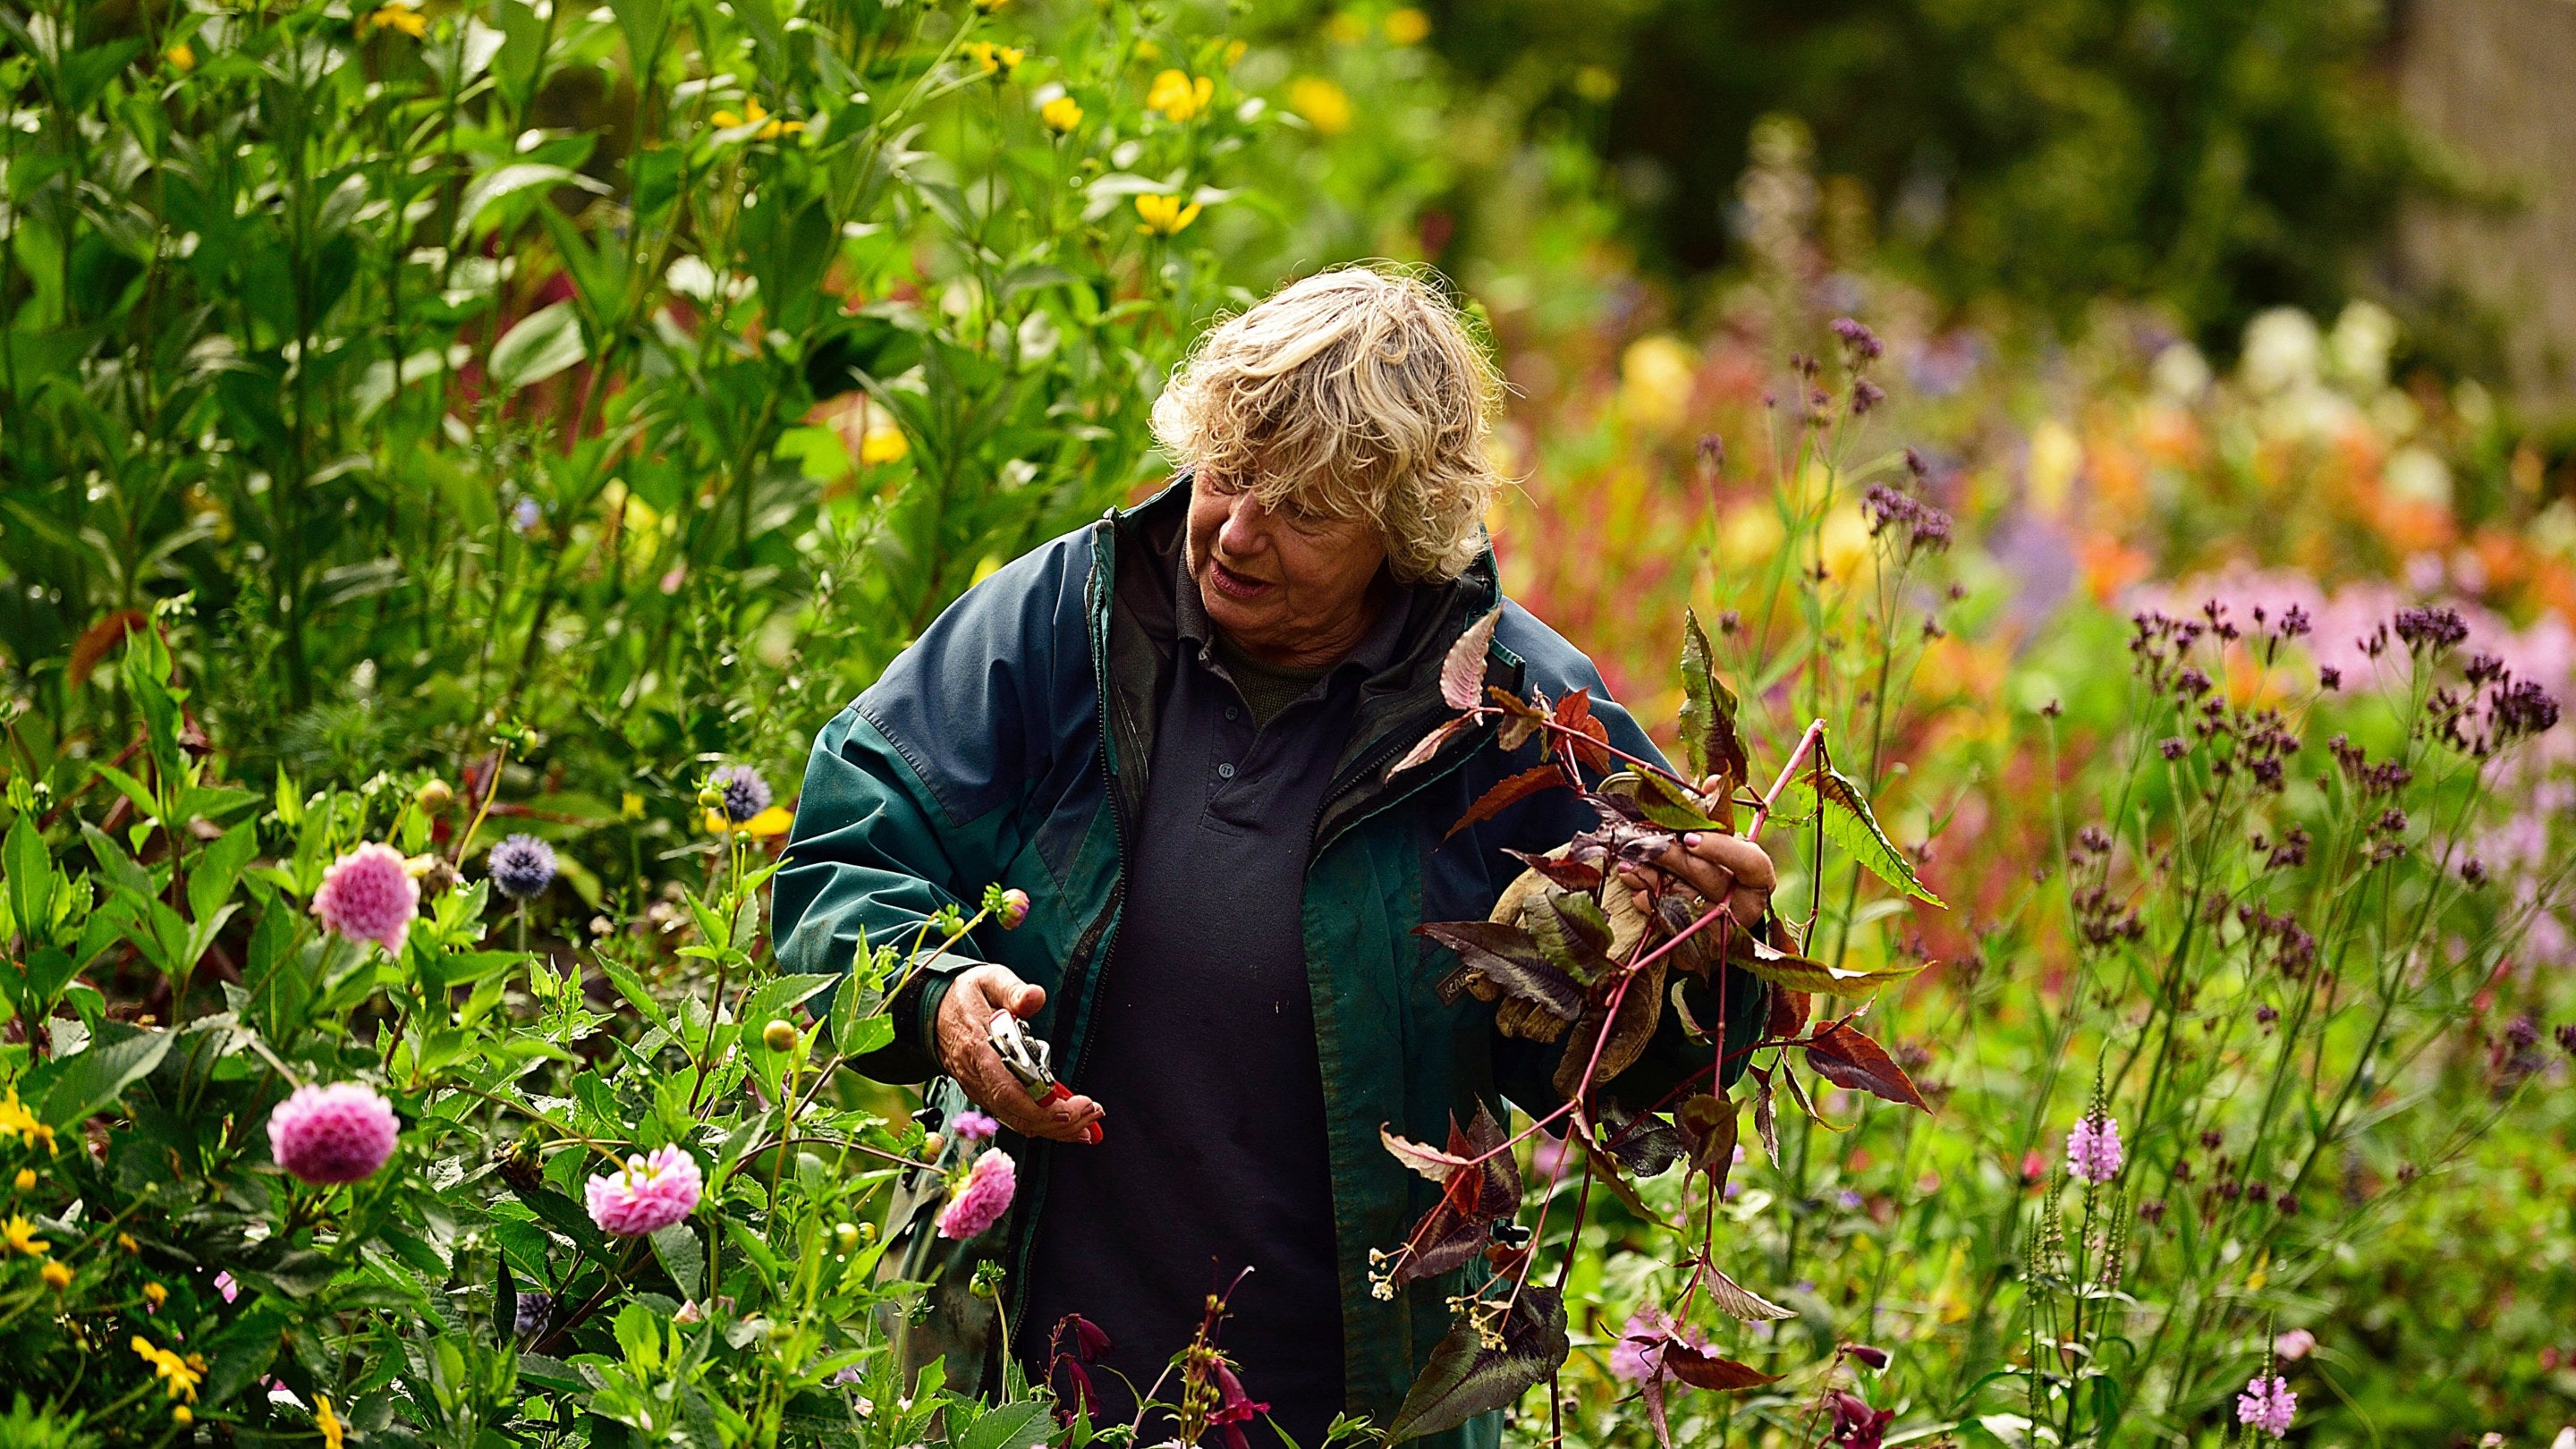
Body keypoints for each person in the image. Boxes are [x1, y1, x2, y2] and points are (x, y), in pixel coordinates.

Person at [774, 267, 1777, 1449]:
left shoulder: (1519, 716)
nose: (1239, 531)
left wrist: (1712, 958)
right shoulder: (1068, 625)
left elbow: (1637, 1066)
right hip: (1022, 1385)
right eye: (1231, 472)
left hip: (1353, 1404)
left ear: (1399, 532)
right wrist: (938, 997)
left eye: (1303, 511)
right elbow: (844, 854)